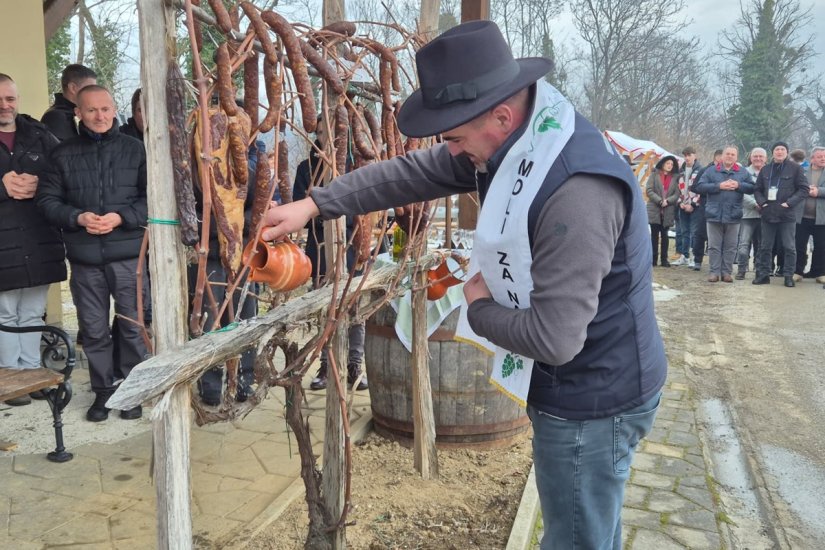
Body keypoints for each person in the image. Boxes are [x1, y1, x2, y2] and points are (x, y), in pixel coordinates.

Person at [261, 21, 666, 548]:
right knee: (590, 526)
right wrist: (315, 205)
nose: (449, 152)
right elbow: (411, 173)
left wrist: (476, 306)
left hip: (594, 396)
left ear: (501, 116)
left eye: (453, 138)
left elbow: (555, 339)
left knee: (576, 538)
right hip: (579, 384)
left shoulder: (575, 191)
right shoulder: (519, 138)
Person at [36, 84, 148, 421]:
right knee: (95, 330)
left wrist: (122, 217)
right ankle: (103, 391)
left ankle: (131, 389)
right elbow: (47, 201)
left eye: (105, 109)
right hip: (85, 259)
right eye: (91, 110)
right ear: (78, 113)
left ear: (114, 110)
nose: (99, 116)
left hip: (128, 257)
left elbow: (153, 198)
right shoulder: (62, 154)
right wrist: (77, 217)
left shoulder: (136, 150)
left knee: (132, 327)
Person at [0, 73, 66, 406]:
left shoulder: (40, 136)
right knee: (5, 315)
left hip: (39, 241)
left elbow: (63, 176)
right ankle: (10, 379)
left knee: (32, 313)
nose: (4, 105)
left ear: (18, 100)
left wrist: (42, 186)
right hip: (2, 245)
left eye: (10, 98)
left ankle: (31, 374)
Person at [292, 121, 367, 391]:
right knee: (326, 309)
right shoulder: (306, 168)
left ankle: (354, 365)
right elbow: (299, 209)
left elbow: (364, 206)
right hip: (320, 248)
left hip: (352, 246)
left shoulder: (353, 164)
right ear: (317, 134)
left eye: (334, 131)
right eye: (323, 131)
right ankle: (326, 364)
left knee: (355, 310)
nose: (329, 136)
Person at [752, 141, 809, 287]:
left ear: (787, 152)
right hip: (768, 213)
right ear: (772, 153)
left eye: (782, 149)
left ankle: (788, 276)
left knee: (789, 247)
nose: (779, 152)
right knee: (765, 246)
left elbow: (804, 189)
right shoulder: (765, 169)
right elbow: (757, 189)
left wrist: (790, 203)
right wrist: (762, 203)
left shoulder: (795, 168)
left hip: (786, 214)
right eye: (777, 149)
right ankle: (764, 275)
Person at [694, 146, 754, 282]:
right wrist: (718, 186)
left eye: (733, 154)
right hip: (714, 213)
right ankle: (714, 272)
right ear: (722, 156)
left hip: (734, 214)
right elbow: (699, 186)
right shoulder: (711, 170)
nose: (730, 156)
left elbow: (752, 188)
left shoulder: (742, 172)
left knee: (731, 246)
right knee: (713, 246)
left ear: (736, 157)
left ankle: (726, 272)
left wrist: (738, 185)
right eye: (727, 154)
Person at [41, 64, 97, 141]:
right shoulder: (56, 117)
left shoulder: (79, 112)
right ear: (73, 88)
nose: (94, 93)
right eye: (90, 88)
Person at [794, 146, 825, 282]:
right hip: (801, 216)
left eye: (824, 156)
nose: (823, 159)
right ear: (812, 159)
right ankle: (797, 271)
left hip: (821, 217)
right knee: (799, 245)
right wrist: (805, 189)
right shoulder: (801, 171)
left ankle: (819, 273)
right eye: (820, 156)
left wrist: (818, 191)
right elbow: (793, 187)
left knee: (821, 246)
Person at [689, 148, 723, 272]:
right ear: (716, 158)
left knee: (718, 236)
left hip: (720, 207)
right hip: (704, 206)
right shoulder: (705, 170)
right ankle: (697, 260)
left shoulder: (727, 172)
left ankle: (717, 262)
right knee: (699, 234)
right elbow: (694, 187)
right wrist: (712, 189)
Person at [736, 147, 766, 279]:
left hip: (764, 215)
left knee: (762, 245)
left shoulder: (769, 172)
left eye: (761, 156)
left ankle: (758, 269)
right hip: (747, 214)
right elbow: (740, 193)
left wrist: (764, 204)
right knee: (744, 244)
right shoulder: (743, 172)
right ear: (751, 158)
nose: (758, 159)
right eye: (755, 156)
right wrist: (755, 204)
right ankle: (742, 269)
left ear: (765, 158)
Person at [646, 155, 680, 267]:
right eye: (668, 163)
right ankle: (653, 259)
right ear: (663, 163)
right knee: (654, 235)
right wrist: (660, 201)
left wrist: (668, 201)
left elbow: (677, 193)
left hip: (668, 209)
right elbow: (649, 190)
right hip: (655, 208)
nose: (670, 166)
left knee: (665, 235)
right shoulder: (654, 175)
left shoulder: (675, 178)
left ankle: (664, 259)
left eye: (672, 164)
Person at [673, 146, 702, 267]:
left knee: (695, 233)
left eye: (689, 155)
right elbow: (677, 190)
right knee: (684, 232)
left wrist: (693, 204)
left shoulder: (700, 170)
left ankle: (694, 257)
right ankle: (685, 256)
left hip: (695, 206)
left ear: (695, 155)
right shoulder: (681, 171)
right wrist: (680, 202)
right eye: (685, 155)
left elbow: (701, 189)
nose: (687, 158)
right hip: (683, 205)